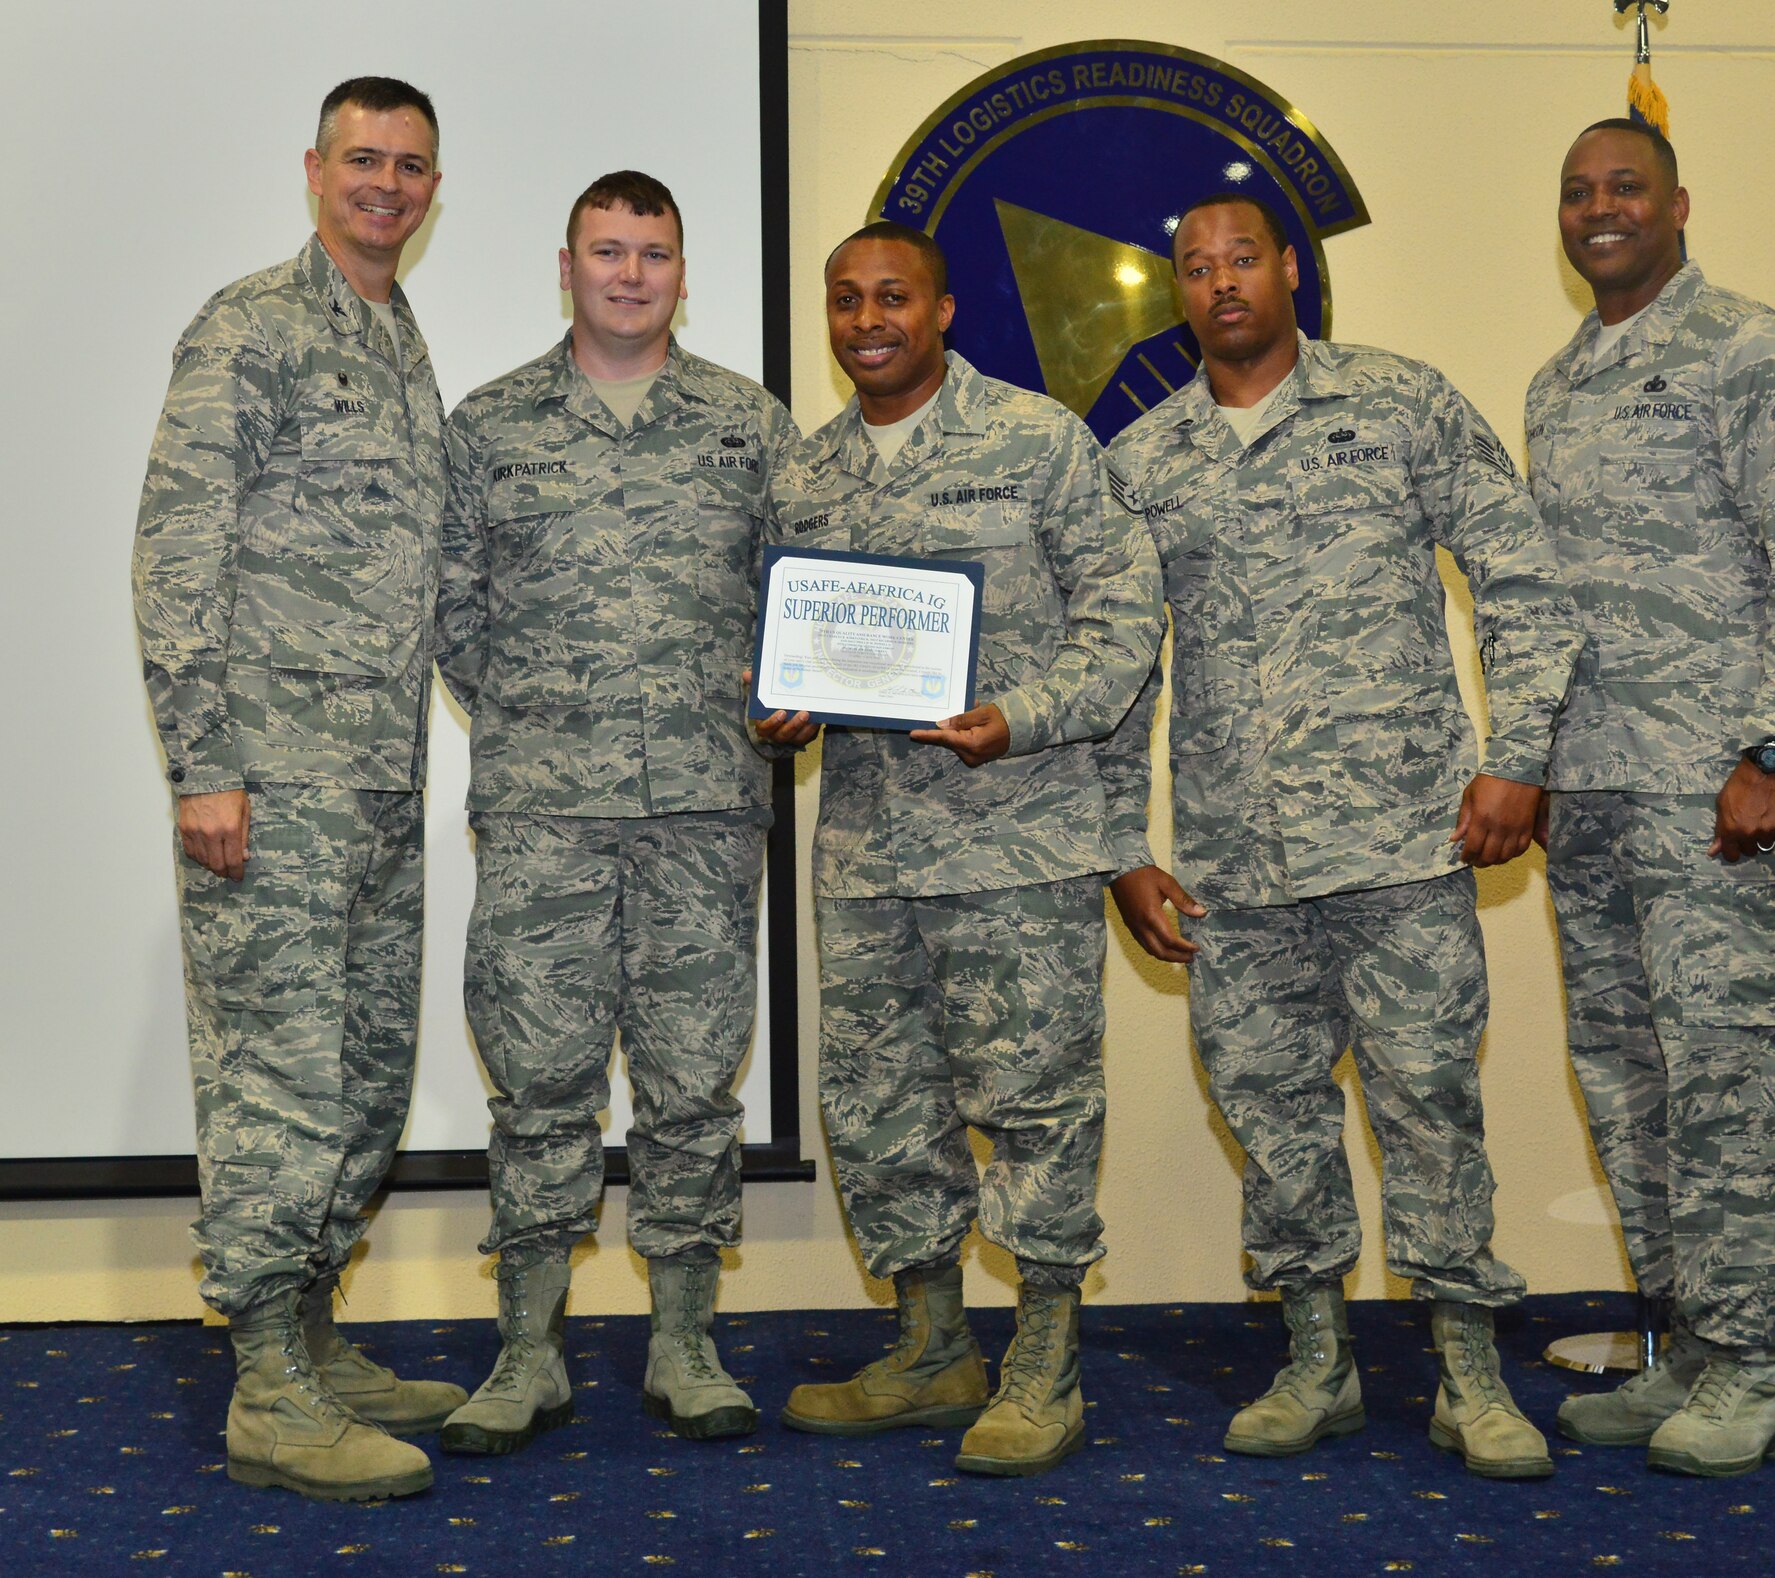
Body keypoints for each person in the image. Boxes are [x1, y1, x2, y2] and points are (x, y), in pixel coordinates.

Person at [1102, 194, 1582, 1480]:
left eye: (1240, 259)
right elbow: (1111, 668)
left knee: (1429, 1107)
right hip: (1234, 866)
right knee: (1270, 1116)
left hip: (1402, 846)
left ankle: (1467, 1375)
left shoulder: (1399, 404)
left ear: (1291, 269)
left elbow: (1518, 574)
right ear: (1177, 293)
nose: (1220, 285)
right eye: (1193, 270)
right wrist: (1120, 847)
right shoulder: (1144, 462)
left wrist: (1514, 756)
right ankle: (1315, 1363)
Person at [762, 221, 1162, 1477]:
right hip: (870, 854)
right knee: (880, 1112)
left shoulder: (1038, 442)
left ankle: (1045, 1364)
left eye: (892, 296)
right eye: (843, 299)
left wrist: (1023, 717)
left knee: (1035, 1111)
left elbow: (1125, 615)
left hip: (1014, 842)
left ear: (941, 310)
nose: (866, 318)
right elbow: (782, 643)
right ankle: (932, 1347)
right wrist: (773, 705)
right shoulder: (804, 476)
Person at [1524, 120, 1775, 1477]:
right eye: (1577, 192)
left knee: (1727, 1079)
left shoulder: (1755, 351)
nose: (1600, 209)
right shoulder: (1557, 386)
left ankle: (1750, 1368)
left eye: (1625, 186)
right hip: (1600, 797)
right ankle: (1682, 1340)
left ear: (1679, 204)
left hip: (1723, 795)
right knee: (1627, 1079)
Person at [131, 76, 461, 1501]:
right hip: (267, 783)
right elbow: (175, 550)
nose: (386, 183)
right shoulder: (250, 326)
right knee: (276, 1077)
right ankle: (268, 1383)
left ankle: (316, 1336)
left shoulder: (399, 339)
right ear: (314, 169)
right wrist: (203, 764)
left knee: (360, 1071)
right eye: (363, 159)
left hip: (375, 787)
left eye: (410, 165)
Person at [432, 172, 798, 1454]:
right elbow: (455, 618)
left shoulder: (751, 428)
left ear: (682, 273)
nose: (629, 274)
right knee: (539, 1086)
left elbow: (796, 600)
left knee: (695, 1086)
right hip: (545, 817)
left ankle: (684, 1345)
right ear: (567, 265)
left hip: (704, 807)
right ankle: (526, 1349)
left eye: (653, 253)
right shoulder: (490, 426)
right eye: (606, 251)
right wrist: (549, 727)